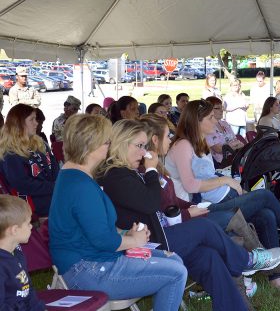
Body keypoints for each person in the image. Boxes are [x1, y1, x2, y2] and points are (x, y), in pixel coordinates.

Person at [97, 118, 280, 311]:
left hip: (157, 236)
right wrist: (152, 169)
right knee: (205, 227)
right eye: (139, 146)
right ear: (122, 143)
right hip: (145, 245)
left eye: (144, 146)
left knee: (208, 257)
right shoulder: (116, 175)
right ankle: (245, 260)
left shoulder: (129, 171)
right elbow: (151, 203)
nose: (144, 152)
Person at [166, 100, 280, 288]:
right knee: (265, 196)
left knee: (265, 214)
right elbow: (191, 185)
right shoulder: (183, 145)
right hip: (195, 211)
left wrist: (228, 181)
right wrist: (226, 181)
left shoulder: (199, 143)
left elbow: (205, 176)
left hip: (210, 203)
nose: (216, 121)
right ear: (196, 121)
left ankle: (277, 277)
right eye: (210, 118)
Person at [48, 114, 188, 310]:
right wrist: (135, 241)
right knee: (176, 272)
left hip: (89, 262)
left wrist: (125, 234)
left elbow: (93, 230)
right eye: (106, 141)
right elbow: (103, 241)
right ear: (92, 145)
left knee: (173, 259)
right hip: (88, 270)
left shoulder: (74, 176)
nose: (109, 145)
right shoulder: (81, 186)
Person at [0, 104, 59, 218]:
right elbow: (22, 183)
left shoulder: (40, 144)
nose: (36, 123)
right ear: (19, 123)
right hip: (33, 207)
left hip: (53, 199)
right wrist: (53, 187)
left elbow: (54, 166)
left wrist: (58, 184)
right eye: (31, 119)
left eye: (35, 119)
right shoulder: (10, 152)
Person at [0, 195, 45, 311]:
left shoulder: (16, 253)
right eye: (28, 223)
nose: (31, 227)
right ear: (14, 230)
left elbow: (28, 290)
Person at [205, 96, 244, 166]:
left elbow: (237, 142)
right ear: (208, 110)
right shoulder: (207, 127)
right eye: (217, 108)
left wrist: (231, 146)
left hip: (234, 159)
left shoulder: (224, 123)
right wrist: (233, 145)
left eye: (222, 107)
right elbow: (219, 149)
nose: (221, 110)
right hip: (220, 164)